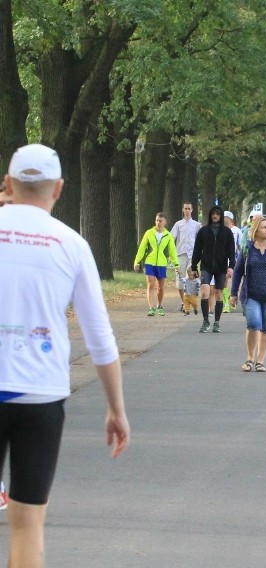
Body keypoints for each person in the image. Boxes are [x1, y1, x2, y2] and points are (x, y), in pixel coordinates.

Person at [0, 144, 129, 566]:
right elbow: (100, 336)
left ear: (7, 183)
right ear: (58, 188)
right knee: (27, 522)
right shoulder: (70, 244)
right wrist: (116, 408)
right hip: (40, 396)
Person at [230, 218, 266, 372]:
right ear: (256, 230)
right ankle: (250, 358)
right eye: (264, 227)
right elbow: (237, 271)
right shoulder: (247, 249)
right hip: (251, 295)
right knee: (254, 323)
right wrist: (233, 293)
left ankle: (260, 360)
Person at [190, 205, 235, 333]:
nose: (215, 216)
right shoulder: (203, 231)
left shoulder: (226, 232)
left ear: (221, 216)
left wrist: (231, 266)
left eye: (217, 214)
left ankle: (217, 322)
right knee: (204, 292)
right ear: (210, 216)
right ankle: (205, 321)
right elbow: (197, 250)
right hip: (206, 266)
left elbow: (231, 251)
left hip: (221, 267)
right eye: (213, 214)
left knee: (218, 293)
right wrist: (194, 267)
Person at [133, 213, 179, 316]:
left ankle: (159, 305)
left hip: (162, 263)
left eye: (160, 221)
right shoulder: (149, 233)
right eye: (157, 220)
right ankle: (151, 308)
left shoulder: (168, 236)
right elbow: (142, 248)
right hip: (150, 262)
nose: (158, 223)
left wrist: (177, 264)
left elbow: (172, 251)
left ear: (165, 222)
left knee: (161, 287)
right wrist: (137, 261)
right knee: (151, 284)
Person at [171, 202, 202, 311]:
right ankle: (183, 301)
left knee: (190, 277)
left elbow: (201, 239)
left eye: (189, 208)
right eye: (185, 208)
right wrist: (171, 254)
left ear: (192, 210)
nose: (187, 210)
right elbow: (171, 238)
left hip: (192, 255)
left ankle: (189, 300)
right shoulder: (178, 224)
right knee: (180, 281)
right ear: (183, 210)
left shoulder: (197, 225)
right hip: (180, 255)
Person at [222, 211, 242, 313]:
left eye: (225, 217)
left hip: (234, 259)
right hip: (223, 259)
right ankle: (225, 303)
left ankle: (233, 298)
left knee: (234, 281)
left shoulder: (237, 231)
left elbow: (240, 246)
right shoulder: (220, 230)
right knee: (224, 281)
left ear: (230, 219)